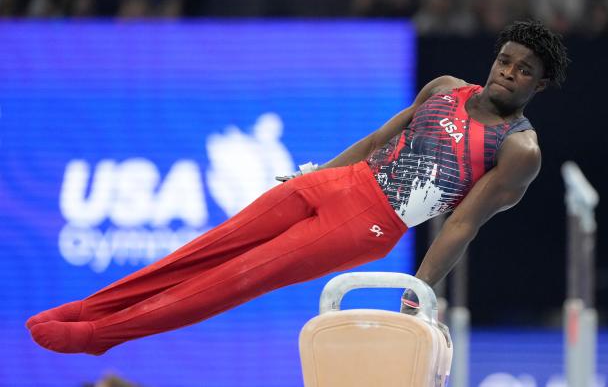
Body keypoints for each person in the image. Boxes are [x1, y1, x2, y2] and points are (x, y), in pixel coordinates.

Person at [27, 19, 568, 355]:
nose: (508, 73)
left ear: (540, 85)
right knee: (205, 250)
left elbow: (463, 222)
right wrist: (320, 175)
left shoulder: (520, 150)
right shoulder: (445, 88)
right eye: (505, 60)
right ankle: (89, 309)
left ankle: (102, 336)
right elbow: (381, 137)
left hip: (369, 223)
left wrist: (419, 289)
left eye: (523, 71)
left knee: (232, 280)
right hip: (337, 183)